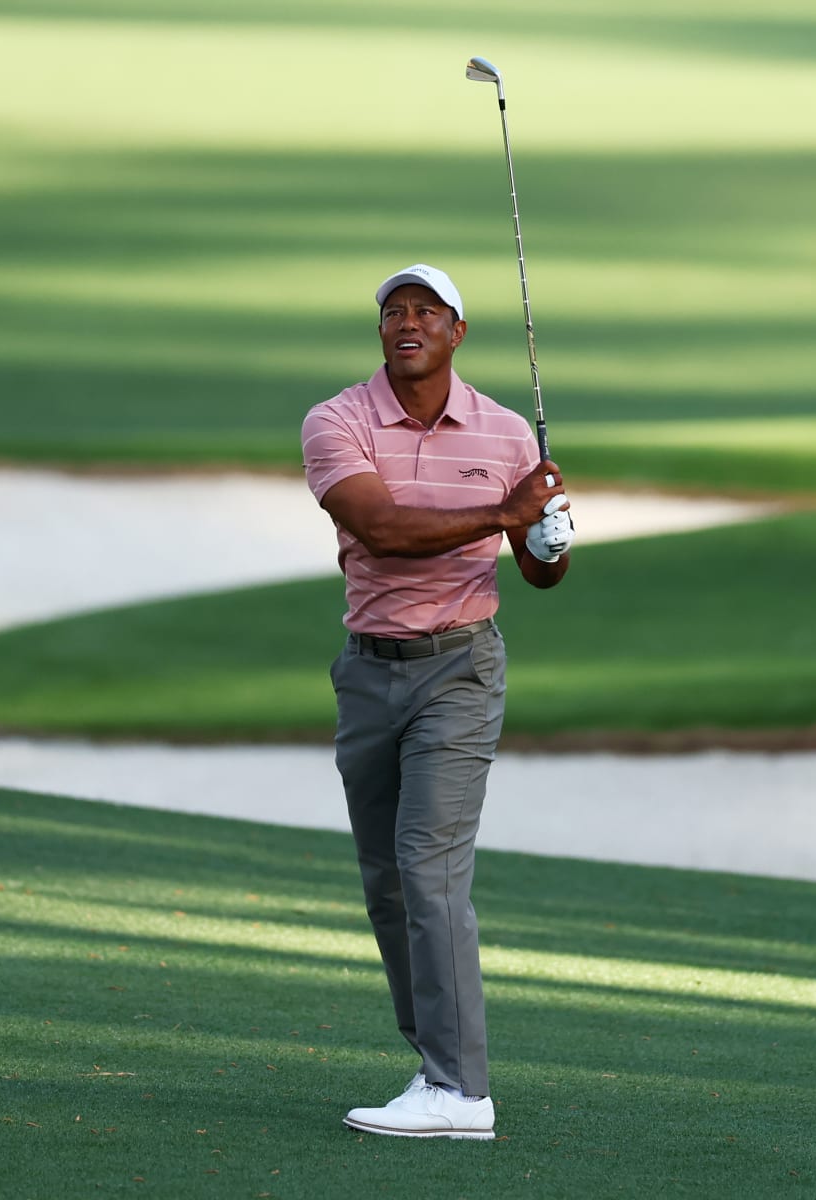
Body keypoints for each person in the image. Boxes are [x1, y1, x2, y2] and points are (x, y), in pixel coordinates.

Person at [300, 263, 573, 1140]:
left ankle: (461, 1091)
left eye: (427, 311)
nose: (407, 322)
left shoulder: (505, 434)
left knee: (428, 868)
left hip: (459, 669)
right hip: (368, 671)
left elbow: (540, 574)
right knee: (386, 883)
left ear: (457, 332)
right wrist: (506, 514)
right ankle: (435, 1068)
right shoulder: (338, 421)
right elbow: (382, 529)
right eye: (394, 312)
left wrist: (548, 537)